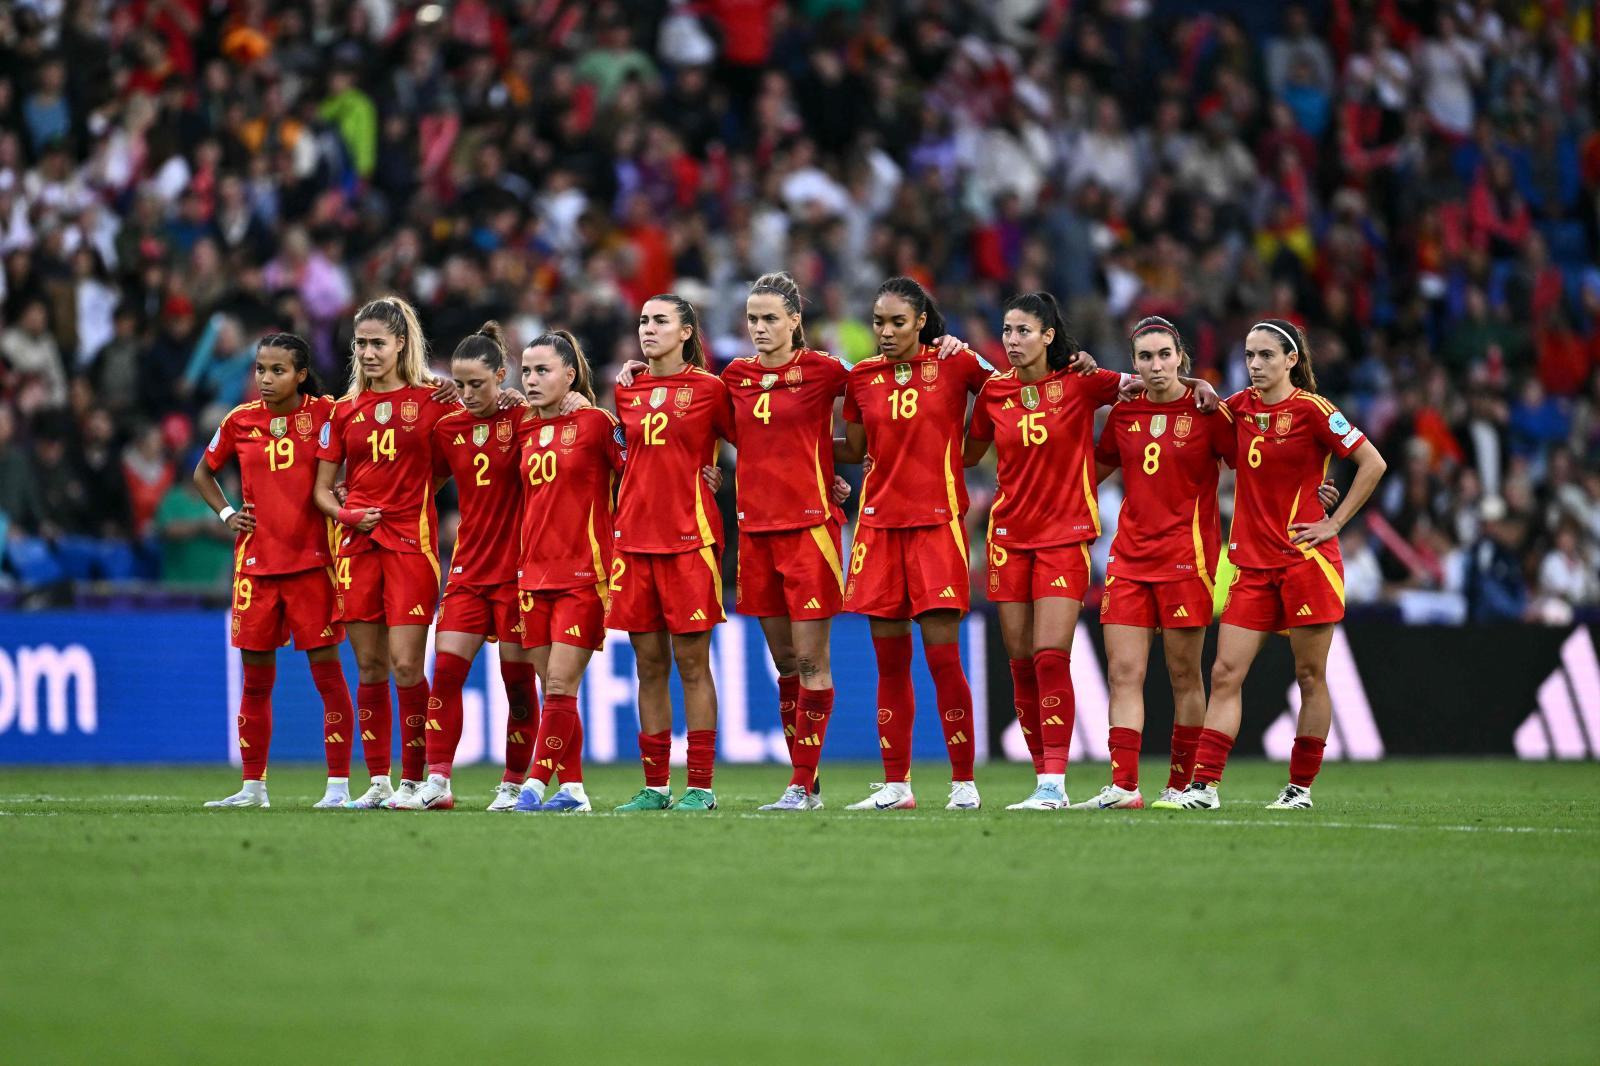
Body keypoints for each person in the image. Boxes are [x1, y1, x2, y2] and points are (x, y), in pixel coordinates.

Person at [964, 299, 1216, 811]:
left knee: (1050, 654)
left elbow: (1151, 379)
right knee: (1021, 662)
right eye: (1007, 330)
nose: (1012, 339)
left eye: (1023, 330)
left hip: (1065, 537)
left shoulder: (1083, 381)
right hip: (1008, 537)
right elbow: (966, 454)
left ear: (1049, 336)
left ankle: (1055, 784)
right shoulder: (993, 391)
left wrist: (1198, 385)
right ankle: (1047, 779)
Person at [1080, 318, 1339, 810]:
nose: (1156, 365)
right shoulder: (1125, 412)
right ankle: (1124, 786)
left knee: (1187, 677)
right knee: (1125, 673)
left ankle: (1183, 785)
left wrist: (1318, 497)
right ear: (1133, 363)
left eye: (1164, 355)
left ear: (1180, 357)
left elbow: (1262, 463)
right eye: (1145, 357)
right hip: (1129, 558)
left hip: (1189, 560)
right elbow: (1094, 471)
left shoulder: (1212, 413)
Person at [1172, 319, 1386, 811]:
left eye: (1266, 355)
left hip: (1305, 561)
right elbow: (1196, 412)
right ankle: (1204, 787)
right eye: (1249, 355)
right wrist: (1198, 382)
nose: (1255, 364)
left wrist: (1334, 523)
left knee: (1310, 676)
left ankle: (1299, 788)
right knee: (1225, 673)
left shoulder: (1314, 410)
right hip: (1250, 565)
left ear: (1291, 360)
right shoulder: (1239, 408)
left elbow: (1373, 462)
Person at [837, 277, 994, 811]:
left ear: (922, 321)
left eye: (897, 322)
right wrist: (786, 449)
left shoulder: (954, 362)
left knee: (943, 659)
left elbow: (1009, 391)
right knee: (889, 663)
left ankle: (964, 783)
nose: (885, 332)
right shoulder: (861, 377)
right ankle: (896, 785)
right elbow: (853, 447)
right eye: (879, 322)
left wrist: (970, 451)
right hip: (878, 528)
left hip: (936, 526)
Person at [193, 333, 357, 809]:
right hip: (256, 569)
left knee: (328, 679)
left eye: (278, 370)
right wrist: (227, 514)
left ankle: (338, 788)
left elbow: (371, 427)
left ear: (301, 374)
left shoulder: (326, 413)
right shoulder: (239, 420)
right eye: (261, 369)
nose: (266, 379)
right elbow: (203, 472)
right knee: (256, 681)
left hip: (313, 566)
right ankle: (253, 788)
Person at [313, 296, 459, 810]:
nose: (369, 353)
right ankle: (379, 781)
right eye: (361, 344)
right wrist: (347, 514)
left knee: (405, 665)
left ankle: (418, 781)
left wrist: (416, 492)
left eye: (378, 343)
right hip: (356, 547)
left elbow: (463, 454)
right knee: (370, 666)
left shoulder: (435, 400)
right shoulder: (342, 410)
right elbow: (321, 490)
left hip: (411, 547)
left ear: (401, 343)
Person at [722, 273, 852, 811]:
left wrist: (832, 464)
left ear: (795, 320)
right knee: (785, 665)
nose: (759, 327)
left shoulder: (824, 370)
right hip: (755, 533)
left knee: (811, 661)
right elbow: (699, 419)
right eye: (753, 318)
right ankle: (807, 782)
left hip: (809, 532)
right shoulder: (734, 376)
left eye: (770, 318)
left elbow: (885, 393)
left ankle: (799, 784)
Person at [397, 323, 536, 811]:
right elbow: (425, 482)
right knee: (446, 673)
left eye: (477, 383)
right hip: (467, 572)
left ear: (501, 375)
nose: (468, 393)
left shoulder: (525, 418)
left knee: (518, 685)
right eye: (459, 384)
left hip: (518, 572)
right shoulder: (447, 428)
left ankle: (514, 784)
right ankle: (437, 782)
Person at [609, 295, 732, 812]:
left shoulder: (710, 389)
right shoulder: (626, 388)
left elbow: (753, 441)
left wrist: (718, 477)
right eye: (643, 320)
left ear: (686, 332)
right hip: (634, 541)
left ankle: (700, 787)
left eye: (661, 320)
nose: (648, 328)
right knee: (649, 665)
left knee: (692, 663)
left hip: (689, 541)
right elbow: (623, 454)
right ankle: (656, 787)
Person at [511, 331, 623, 814]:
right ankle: (573, 789)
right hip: (532, 576)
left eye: (543, 370)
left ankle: (534, 785)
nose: (532, 380)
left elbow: (640, 469)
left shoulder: (597, 423)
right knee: (554, 691)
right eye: (526, 371)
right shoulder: (522, 428)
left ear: (570, 375)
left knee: (559, 686)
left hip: (583, 575)